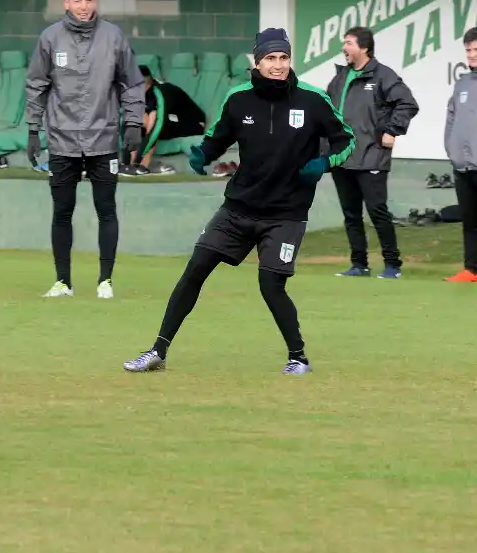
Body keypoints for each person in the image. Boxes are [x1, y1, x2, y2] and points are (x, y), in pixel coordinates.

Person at [123, 28, 355, 376]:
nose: (278, 65)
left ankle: (298, 358)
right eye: (270, 58)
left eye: (283, 58)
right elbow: (217, 137)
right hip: (238, 209)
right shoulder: (238, 98)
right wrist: (203, 154)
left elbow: (346, 140)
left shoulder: (313, 99)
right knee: (195, 270)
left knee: (271, 285)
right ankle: (157, 351)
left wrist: (325, 163)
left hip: (286, 214)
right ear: (257, 63)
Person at [25, 0, 145, 300]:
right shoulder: (50, 38)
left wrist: (134, 124)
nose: (83, 6)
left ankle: (105, 281)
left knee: (106, 209)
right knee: (62, 211)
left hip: (103, 138)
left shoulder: (114, 37)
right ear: (66, 3)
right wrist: (33, 130)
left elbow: (132, 84)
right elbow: (36, 85)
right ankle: (63, 282)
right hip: (61, 140)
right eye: (77, 0)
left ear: (96, 2)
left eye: (88, 0)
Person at [325, 26, 419, 279]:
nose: (344, 48)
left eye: (349, 43)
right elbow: (326, 112)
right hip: (342, 157)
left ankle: (392, 265)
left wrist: (392, 130)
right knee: (351, 214)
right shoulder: (340, 78)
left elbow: (408, 103)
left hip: (371, 155)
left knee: (377, 211)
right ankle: (359, 265)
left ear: (364, 48)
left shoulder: (383, 75)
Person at [124, 64, 206, 176]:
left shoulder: (161, 91)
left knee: (151, 123)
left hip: (193, 125)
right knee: (141, 119)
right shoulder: (144, 92)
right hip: (170, 120)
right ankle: (130, 165)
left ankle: (142, 166)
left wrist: (139, 156)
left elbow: (156, 127)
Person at [444, 27, 477, 283]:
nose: (472, 54)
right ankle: (471, 269)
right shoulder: (463, 83)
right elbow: (451, 118)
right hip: (463, 165)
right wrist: (452, 149)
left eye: (476, 49)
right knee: (470, 220)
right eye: (468, 50)